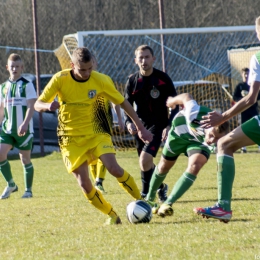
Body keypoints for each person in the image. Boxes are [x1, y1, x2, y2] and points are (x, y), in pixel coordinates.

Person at [34, 47, 153, 225]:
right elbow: (38, 104)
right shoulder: (60, 79)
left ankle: (145, 202)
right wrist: (47, 106)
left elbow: (123, 102)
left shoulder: (101, 80)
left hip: (96, 133)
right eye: (82, 69)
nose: (87, 73)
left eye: (90, 68)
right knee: (84, 183)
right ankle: (112, 215)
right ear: (72, 65)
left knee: (114, 168)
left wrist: (140, 127)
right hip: (70, 138)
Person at [193, 16, 260, 223]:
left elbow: (251, 98)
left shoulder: (257, 57)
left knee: (224, 144)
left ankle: (223, 207)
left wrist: (222, 117)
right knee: (224, 143)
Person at [144, 93, 229, 217]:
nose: (212, 141)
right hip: (179, 134)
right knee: (163, 167)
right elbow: (187, 97)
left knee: (195, 165)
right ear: (208, 125)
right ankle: (149, 199)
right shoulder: (194, 113)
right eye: (211, 136)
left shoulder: (214, 140)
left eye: (216, 139)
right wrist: (172, 101)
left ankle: (167, 203)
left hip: (198, 142)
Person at [124, 45, 179, 202]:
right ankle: (161, 187)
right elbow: (126, 105)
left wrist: (169, 125)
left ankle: (146, 195)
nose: (144, 60)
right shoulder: (132, 81)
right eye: (140, 58)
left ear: (153, 59)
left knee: (144, 160)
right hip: (140, 126)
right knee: (145, 165)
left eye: (147, 57)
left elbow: (175, 105)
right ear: (136, 61)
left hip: (158, 125)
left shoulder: (163, 79)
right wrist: (129, 123)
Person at [0, 53, 36, 199]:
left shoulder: (27, 85)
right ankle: (11, 184)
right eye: (12, 66)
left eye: (17, 66)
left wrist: (25, 123)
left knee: (25, 159)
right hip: (7, 130)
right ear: (7, 67)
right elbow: (1, 109)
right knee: (0, 154)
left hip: (24, 130)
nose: (14, 69)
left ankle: (28, 190)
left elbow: (31, 106)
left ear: (22, 67)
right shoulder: (3, 87)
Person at [89, 53, 125, 193]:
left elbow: (115, 99)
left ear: (96, 63)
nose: (90, 65)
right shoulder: (78, 81)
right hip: (86, 124)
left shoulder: (104, 80)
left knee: (104, 151)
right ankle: (97, 184)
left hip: (104, 122)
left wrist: (120, 119)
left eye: (92, 61)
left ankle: (99, 181)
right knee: (91, 155)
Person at [233, 67, 260, 153]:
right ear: (242, 75)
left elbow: (258, 96)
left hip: (253, 109)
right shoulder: (239, 86)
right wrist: (242, 99)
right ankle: (243, 147)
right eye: (245, 73)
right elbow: (235, 97)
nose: (246, 75)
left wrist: (251, 97)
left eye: (248, 73)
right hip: (243, 110)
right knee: (242, 127)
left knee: (257, 125)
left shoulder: (253, 85)